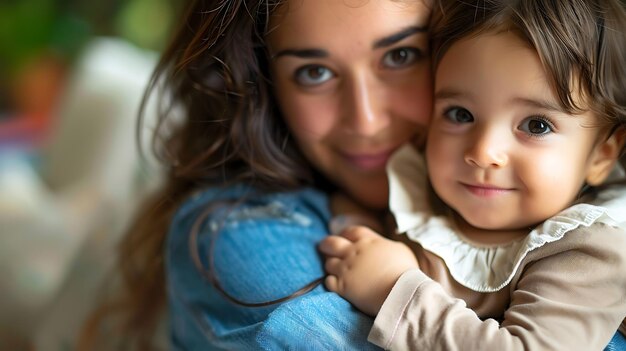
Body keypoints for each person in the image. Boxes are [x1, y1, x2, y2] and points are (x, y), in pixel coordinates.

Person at [78, 0, 434, 350]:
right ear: (263, 85)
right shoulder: (237, 234)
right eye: (315, 72)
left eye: (400, 56)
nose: (365, 120)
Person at [320, 0, 626, 350]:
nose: (482, 152)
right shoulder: (418, 190)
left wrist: (392, 288)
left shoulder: (590, 252)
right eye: (460, 114)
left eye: (536, 125)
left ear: (602, 155)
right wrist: (355, 228)